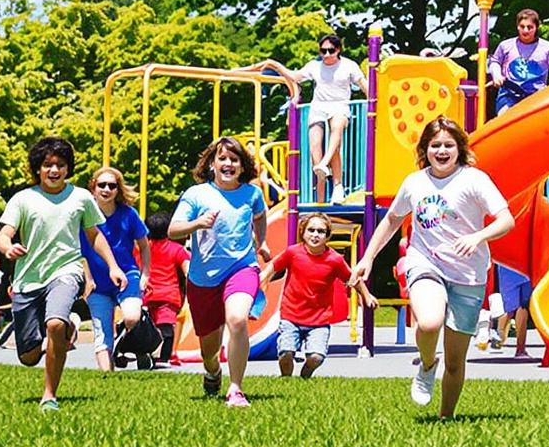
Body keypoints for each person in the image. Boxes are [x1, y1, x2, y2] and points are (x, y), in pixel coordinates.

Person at [354, 116, 514, 419]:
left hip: (469, 274)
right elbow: (392, 219)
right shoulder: (415, 182)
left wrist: (478, 236)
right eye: (435, 145)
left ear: (460, 149)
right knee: (428, 323)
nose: (441, 151)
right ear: (425, 149)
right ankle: (427, 364)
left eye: (448, 145)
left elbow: (507, 220)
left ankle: (446, 417)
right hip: (424, 262)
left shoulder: (475, 180)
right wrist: (368, 258)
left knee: (455, 361)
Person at [0, 136, 113, 411]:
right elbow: (4, 233)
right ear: (38, 168)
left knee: (55, 324)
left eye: (60, 165)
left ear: (67, 168)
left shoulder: (81, 197)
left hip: (66, 270)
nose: (54, 170)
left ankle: (49, 396)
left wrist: (114, 266)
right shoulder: (23, 199)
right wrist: (7, 248)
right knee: (27, 356)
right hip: (28, 279)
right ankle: (66, 329)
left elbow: (94, 235)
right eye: (48, 164)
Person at [167, 136, 272, 408]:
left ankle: (236, 389)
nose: (228, 164)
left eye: (234, 159)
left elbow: (260, 217)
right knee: (208, 351)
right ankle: (213, 371)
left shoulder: (252, 194)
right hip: (203, 279)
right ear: (211, 164)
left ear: (242, 166)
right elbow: (172, 230)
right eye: (222, 158)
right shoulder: (196, 194)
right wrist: (197, 223)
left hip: (242, 267)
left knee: (237, 320)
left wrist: (261, 242)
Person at [267, 212, 369, 378]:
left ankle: (305, 375)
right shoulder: (293, 253)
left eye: (321, 231)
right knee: (286, 353)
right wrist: (261, 279)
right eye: (311, 230)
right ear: (303, 232)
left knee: (316, 357)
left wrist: (367, 295)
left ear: (327, 236)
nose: (315, 235)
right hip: (291, 316)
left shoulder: (334, 259)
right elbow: (274, 266)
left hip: (318, 320)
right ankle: (285, 378)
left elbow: (352, 279)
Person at [78, 168, 148, 374]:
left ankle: (140, 339)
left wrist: (145, 275)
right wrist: (87, 279)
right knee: (101, 333)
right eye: (102, 185)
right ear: (93, 188)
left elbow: (144, 245)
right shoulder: (82, 217)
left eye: (112, 185)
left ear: (118, 189)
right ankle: (107, 377)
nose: (107, 189)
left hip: (128, 276)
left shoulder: (128, 214)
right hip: (98, 284)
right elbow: (80, 252)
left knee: (132, 317)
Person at [295, 34, 367, 202]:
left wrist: (375, 101)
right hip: (318, 108)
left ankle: (337, 184)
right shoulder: (315, 66)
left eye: (331, 51)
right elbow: (295, 77)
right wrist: (273, 66)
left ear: (338, 50)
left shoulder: (348, 66)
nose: (326, 54)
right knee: (315, 148)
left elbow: (364, 85)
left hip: (339, 106)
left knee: (336, 131)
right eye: (323, 51)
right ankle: (319, 200)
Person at [127, 217, 186, 369]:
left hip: (146, 294)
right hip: (169, 295)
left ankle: (145, 351)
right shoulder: (177, 249)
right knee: (166, 327)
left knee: (146, 327)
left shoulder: (141, 249)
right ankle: (161, 358)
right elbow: (188, 270)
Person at [488, 9, 549, 116]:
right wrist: (497, 75)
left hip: (537, 97)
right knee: (506, 117)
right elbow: (495, 62)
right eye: (522, 26)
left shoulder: (548, 48)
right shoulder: (505, 45)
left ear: (536, 28)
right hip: (509, 95)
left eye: (530, 27)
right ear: (517, 26)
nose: (525, 30)